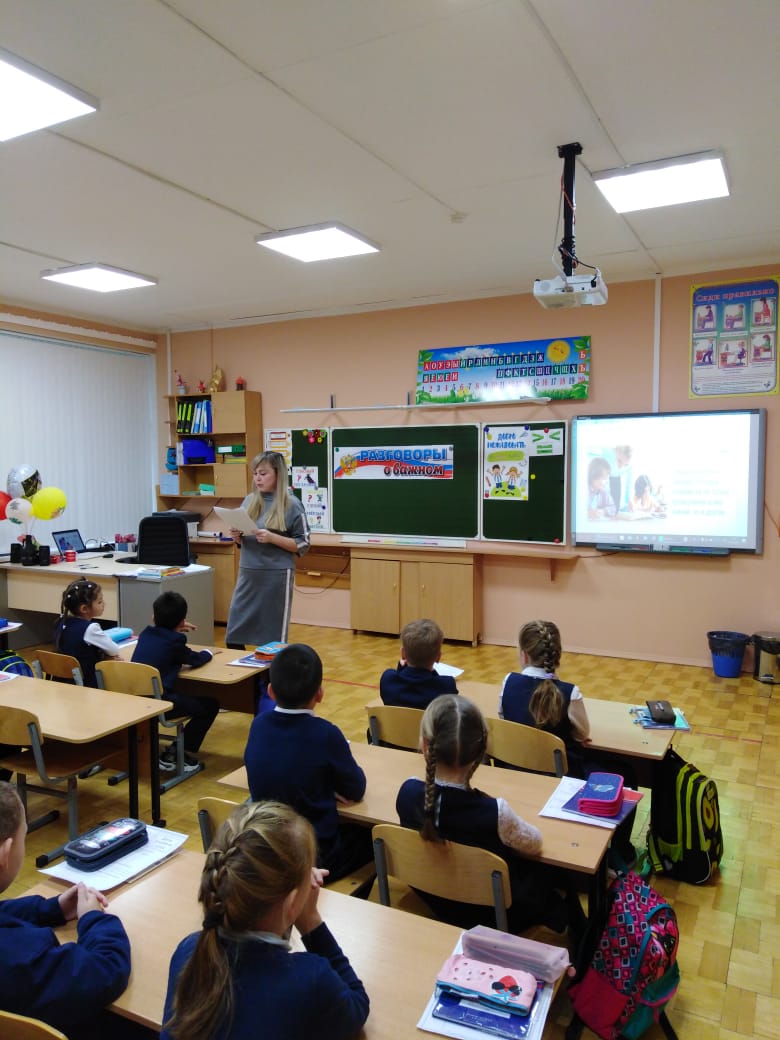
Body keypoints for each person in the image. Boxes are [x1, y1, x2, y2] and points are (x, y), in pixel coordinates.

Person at [160, 801, 369, 1040]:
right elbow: (357, 1006)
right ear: (291, 904)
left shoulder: (189, 951)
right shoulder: (310, 980)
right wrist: (310, 920)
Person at [397, 695, 576, 934]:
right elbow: (535, 844)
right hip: (493, 915)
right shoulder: (496, 812)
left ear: (425, 747)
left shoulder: (407, 793)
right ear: (482, 751)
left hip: (435, 901)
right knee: (556, 871)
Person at [0, 781, 132, 1037]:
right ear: (5, 853)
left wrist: (51, 909)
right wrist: (93, 919)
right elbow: (105, 970)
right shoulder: (21, 960)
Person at [500, 620, 636, 865]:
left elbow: (504, 720)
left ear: (524, 654)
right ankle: (621, 854)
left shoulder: (508, 682)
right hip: (564, 781)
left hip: (517, 773)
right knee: (627, 773)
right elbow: (582, 734)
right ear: (557, 655)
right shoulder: (569, 692)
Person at [244, 644, 373, 882]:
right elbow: (356, 789)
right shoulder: (326, 734)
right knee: (372, 837)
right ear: (320, 694)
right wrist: (328, 786)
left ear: (271, 692)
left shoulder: (258, 725)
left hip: (269, 847)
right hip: (312, 854)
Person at [226, 451, 310, 649]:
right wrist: (237, 537)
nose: (258, 478)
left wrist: (273, 538)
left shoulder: (292, 504)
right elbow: (243, 539)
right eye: (255, 473)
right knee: (234, 637)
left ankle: (270, 670)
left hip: (276, 576)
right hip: (249, 572)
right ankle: (243, 670)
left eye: (263, 474)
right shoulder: (249, 500)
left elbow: (303, 544)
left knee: (271, 640)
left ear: (278, 474)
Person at [132, 590, 219, 773]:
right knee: (210, 705)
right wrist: (208, 652)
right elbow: (195, 659)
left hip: (136, 701)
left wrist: (175, 628)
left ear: (153, 617)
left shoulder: (146, 634)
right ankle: (177, 753)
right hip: (159, 705)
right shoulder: (175, 641)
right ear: (181, 622)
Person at [54, 578, 120, 687]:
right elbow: (114, 650)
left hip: (63, 680)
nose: (104, 604)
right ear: (84, 609)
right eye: (99, 602)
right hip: (87, 682)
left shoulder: (61, 622)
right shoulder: (90, 628)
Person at [379, 617, 458, 709]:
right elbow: (436, 682)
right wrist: (433, 672)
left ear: (403, 653)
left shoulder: (388, 680)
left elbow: (399, 679)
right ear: (438, 657)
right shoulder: (447, 686)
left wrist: (401, 668)